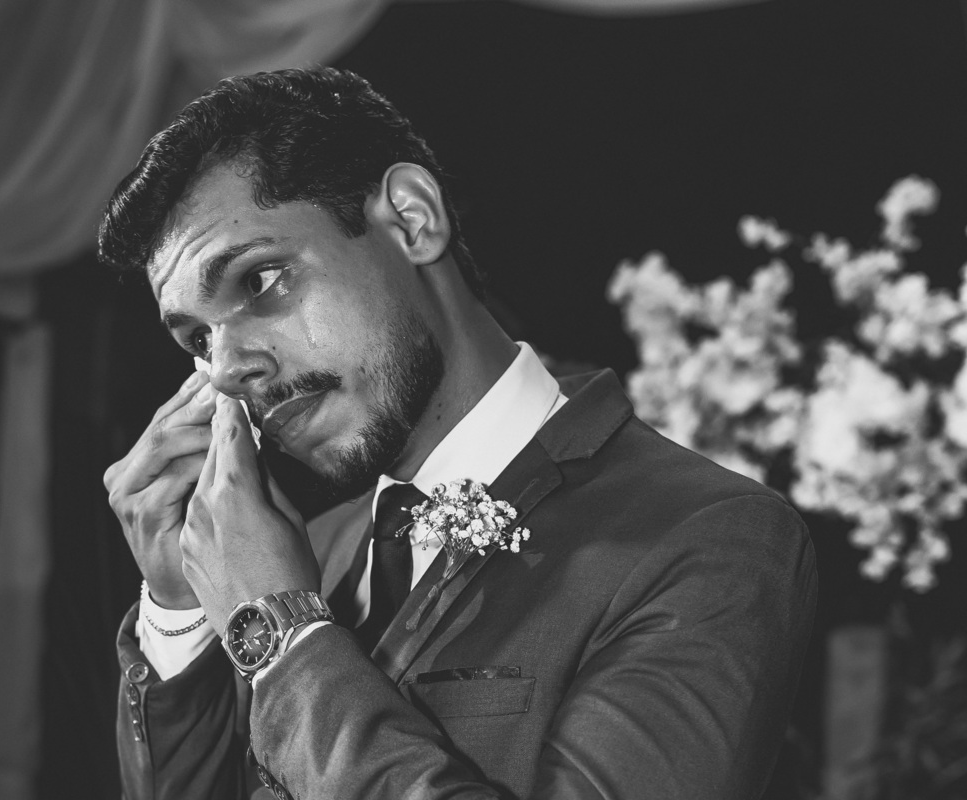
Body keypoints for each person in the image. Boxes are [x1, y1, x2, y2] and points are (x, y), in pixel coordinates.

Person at [98, 66, 817, 800]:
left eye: (259, 281)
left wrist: (286, 638)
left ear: (412, 220)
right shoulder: (296, 552)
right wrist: (180, 610)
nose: (226, 371)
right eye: (197, 340)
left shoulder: (709, 538)